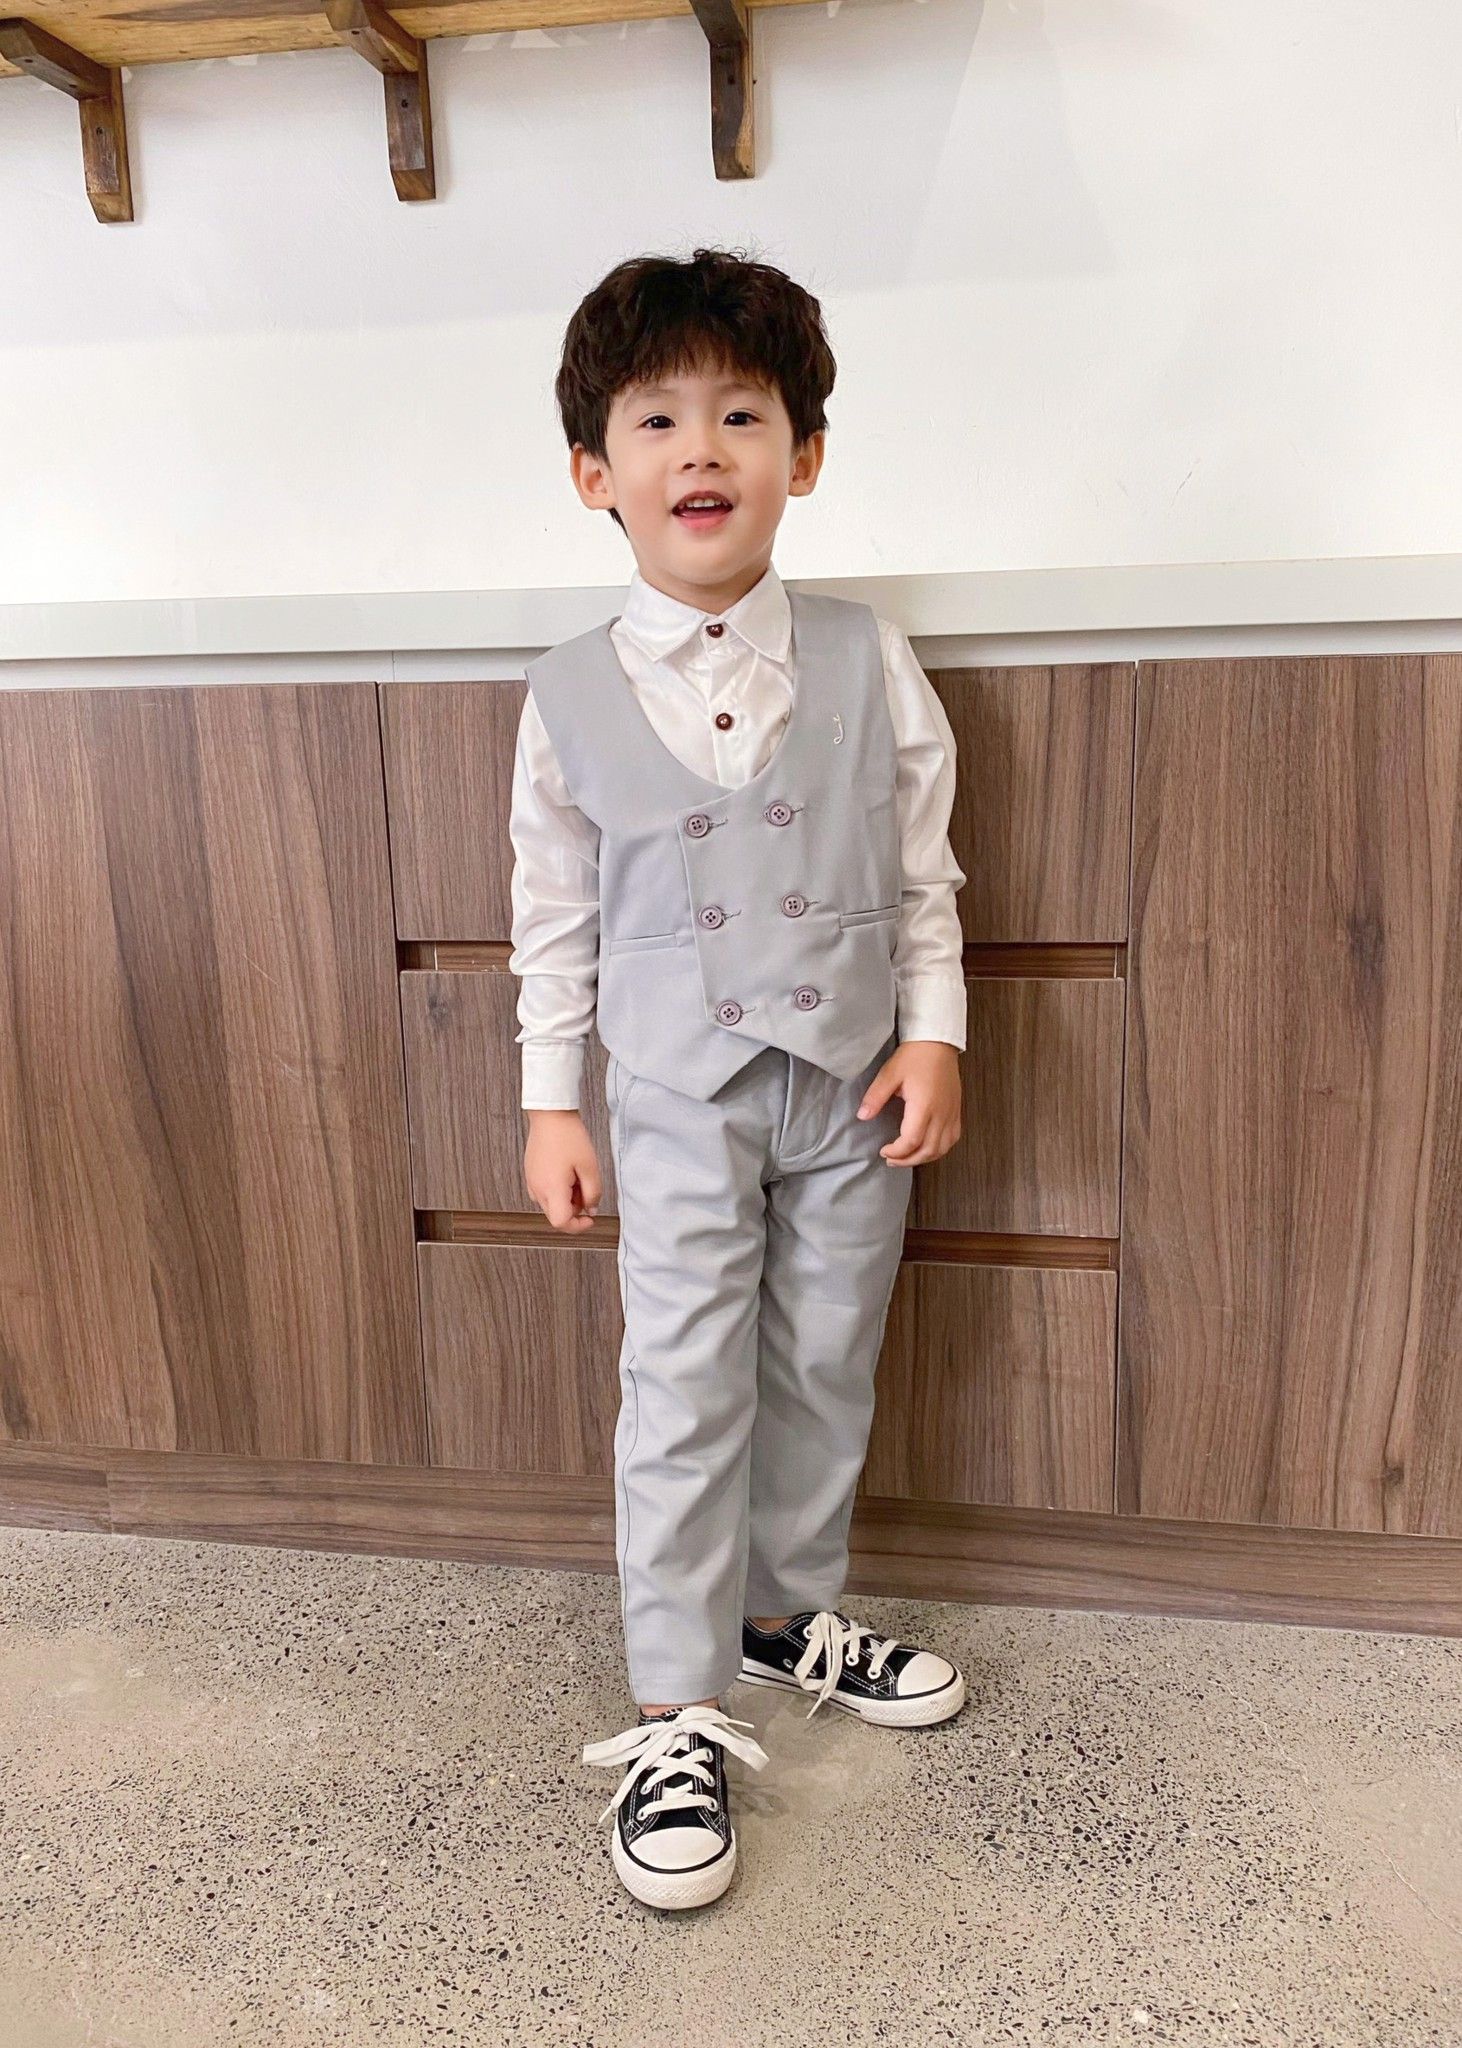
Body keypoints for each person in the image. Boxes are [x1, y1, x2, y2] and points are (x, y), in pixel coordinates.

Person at [507, 245, 970, 1913]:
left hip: (850, 1083)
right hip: (676, 1093)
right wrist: (551, 1102)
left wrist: (936, 1031)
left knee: (828, 1351)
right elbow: (553, 916)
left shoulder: (865, 656)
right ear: (594, 473)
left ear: (804, 456)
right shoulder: (565, 695)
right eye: (655, 419)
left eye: (742, 415)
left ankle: (783, 1614)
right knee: (685, 1374)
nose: (698, 448)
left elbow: (921, 875)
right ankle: (672, 1703)